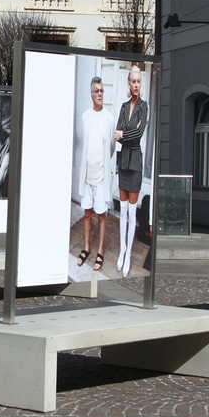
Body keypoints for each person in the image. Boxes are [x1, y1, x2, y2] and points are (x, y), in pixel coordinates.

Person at [78, 76, 116, 271]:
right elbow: (86, 145)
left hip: (101, 177)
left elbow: (110, 148)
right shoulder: (85, 117)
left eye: (102, 90)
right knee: (87, 214)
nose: (100, 94)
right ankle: (86, 248)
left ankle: (100, 251)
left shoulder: (109, 118)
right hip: (88, 175)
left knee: (101, 215)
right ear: (91, 94)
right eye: (96, 91)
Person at [115, 66, 148, 277]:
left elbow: (137, 133)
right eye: (133, 81)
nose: (136, 85)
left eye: (139, 82)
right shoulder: (124, 106)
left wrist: (123, 135)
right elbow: (117, 130)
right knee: (123, 211)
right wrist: (125, 134)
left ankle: (128, 257)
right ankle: (122, 250)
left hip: (135, 163)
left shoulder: (144, 107)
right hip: (123, 162)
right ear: (129, 83)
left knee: (132, 212)